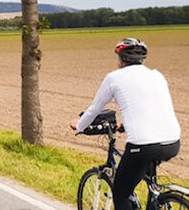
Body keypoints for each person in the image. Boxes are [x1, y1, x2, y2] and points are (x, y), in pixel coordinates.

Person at [71, 38, 181, 210]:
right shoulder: (157, 75)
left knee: (121, 192)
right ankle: (156, 201)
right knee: (146, 178)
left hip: (143, 145)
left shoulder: (113, 77)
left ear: (121, 59)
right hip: (173, 142)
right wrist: (126, 125)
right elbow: (153, 106)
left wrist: (79, 125)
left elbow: (94, 109)